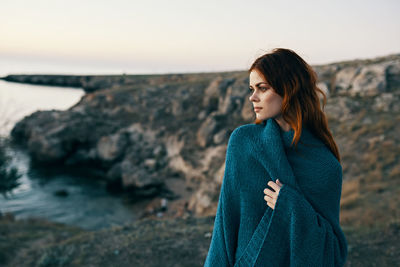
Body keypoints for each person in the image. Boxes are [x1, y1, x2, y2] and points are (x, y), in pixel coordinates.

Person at [204, 48, 348, 266]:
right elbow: (225, 225)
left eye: (263, 88)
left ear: (290, 89)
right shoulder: (244, 143)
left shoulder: (326, 166)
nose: (253, 97)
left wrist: (291, 206)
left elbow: (332, 252)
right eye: (252, 89)